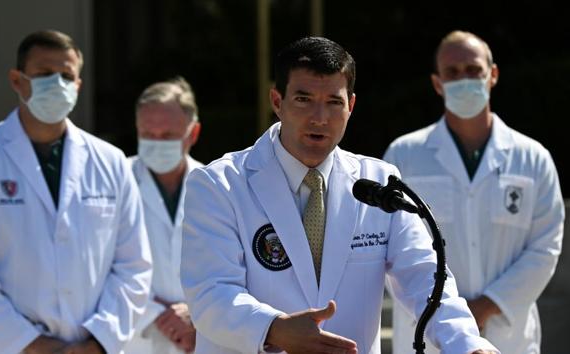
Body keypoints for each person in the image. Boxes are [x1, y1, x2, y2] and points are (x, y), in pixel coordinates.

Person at [180, 36, 498, 354]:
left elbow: (424, 275)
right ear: (277, 102)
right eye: (303, 100)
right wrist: (274, 329)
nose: (320, 117)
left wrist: (466, 343)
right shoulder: (219, 185)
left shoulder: (378, 185)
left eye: (334, 102)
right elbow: (210, 294)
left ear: (351, 106)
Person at [0, 30, 153, 354]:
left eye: (67, 76)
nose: (57, 84)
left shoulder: (110, 162)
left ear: (78, 86)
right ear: (17, 80)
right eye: (44, 74)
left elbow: (134, 266)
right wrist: (30, 345)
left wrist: (98, 342)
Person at [385, 30, 565, 354]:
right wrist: (449, 313)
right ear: (437, 83)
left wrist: (487, 305)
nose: (463, 79)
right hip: (428, 336)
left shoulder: (533, 158)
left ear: (492, 75)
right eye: (452, 73)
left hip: (509, 338)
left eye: (473, 70)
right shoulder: (403, 156)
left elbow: (545, 247)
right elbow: (387, 246)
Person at [123, 77, 202, 354]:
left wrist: (197, 314)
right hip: (134, 338)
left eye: (167, 136)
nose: (157, 143)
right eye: (148, 134)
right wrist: (156, 314)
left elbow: (236, 267)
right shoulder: (114, 182)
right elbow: (94, 265)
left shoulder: (215, 187)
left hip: (199, 338)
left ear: (192, 134)